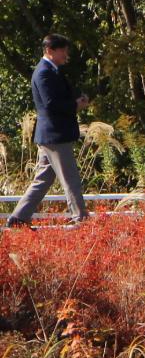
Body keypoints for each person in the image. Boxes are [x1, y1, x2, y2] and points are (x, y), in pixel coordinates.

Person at [7, 35, 90, 229]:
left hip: (52, 134)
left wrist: (77, 101)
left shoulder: (52, 71)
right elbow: (51, 104)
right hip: (55, 135)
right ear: (50, 50)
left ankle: (18, 218)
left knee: (43, 179)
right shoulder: (44, 72)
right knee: (70, 178)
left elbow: (57, 99)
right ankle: (81, 219)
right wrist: (75, 105)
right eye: (63, 50)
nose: (66, 54)